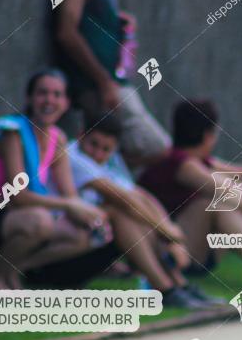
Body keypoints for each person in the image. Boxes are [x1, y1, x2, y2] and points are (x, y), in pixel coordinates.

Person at [0, 69, 107, 289]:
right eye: (42, 93)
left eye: (57, 94)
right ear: (30, 98)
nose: (49, 100)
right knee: (40, 221)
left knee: (82, 234)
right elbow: (18, 197)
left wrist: (89, 215)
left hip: (13, 218)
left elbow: (69, 195)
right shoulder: (13, 132)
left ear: (66, 102)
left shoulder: (57, 138)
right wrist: (70, 205)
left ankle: (11, 272)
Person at [67, 114, 224, 308]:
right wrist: (168, 233)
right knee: (120, 213)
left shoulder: (107, 161)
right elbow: (121, 197)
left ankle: (179, 286)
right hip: (63, 252)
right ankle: (165, 290)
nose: (98, 154)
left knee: (137, 215)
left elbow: (140, 196)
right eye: (94, 145)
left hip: (91, 238)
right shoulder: (73, 157)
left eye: (105, 149)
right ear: (81, 135)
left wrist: (170, 234)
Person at [138, 99, 242, 289]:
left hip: (198, 247)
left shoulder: (200, 161)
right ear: (208, 135)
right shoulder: (182, 165)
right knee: (221, 203)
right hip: (174, 252)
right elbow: (225, 191)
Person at [54, 0, 170, 167]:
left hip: (112, 81)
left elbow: (91, 20)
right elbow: (66, 32)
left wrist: (118, 22)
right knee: (155, 146)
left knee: (103, 148)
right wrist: (103, 82)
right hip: (97, 85)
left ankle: (103, 174)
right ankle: (92, 173)